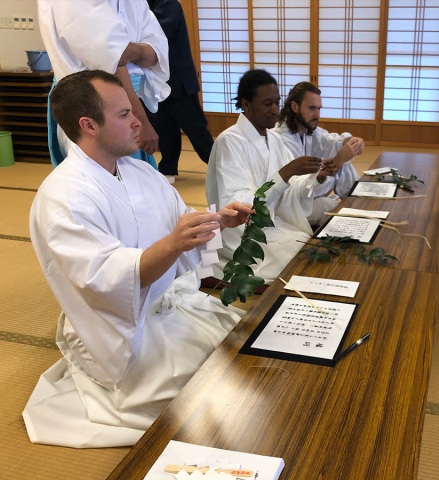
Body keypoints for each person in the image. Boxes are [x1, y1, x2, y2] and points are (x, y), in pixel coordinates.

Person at [22, 70, 253, 448]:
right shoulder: (63, 196)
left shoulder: (140, 171)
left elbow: (178, 224)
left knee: (238, 350)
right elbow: (106, 277)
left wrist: (218, 220)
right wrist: (174, 244)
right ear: (88, 125)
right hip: (120, 328)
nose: (138, 122)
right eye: (124, 114)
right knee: (204, 398)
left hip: (169, 307)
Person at [206, 69, 328, 283]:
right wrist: (286, 172)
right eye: (267, 104)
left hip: (273, 223)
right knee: (298, 261)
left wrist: (316, 177)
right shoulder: (229, 141)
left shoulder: (274, 139)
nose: (275, 110)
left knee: (309, 247)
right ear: (246, 104)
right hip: (242, 232)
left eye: (277, 102)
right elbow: (237, 205)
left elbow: (291, 190)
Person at [37, 0, 170, 168]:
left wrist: (133, 51)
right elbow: (111, 59)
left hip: (131, 96)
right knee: (103, 179)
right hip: (93, 100)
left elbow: (157, 50)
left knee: (137, 181)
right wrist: (139, 119)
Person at [147, 0, 214, 185]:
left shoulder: (169, 4)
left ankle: (221, 166)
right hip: (157, 82)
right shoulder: (143, 5)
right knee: (165, 129)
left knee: (196, 129)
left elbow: (157, 35)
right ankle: (168, 168)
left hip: (179, 81)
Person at [272, 81, 363, 204]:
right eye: (311, 108)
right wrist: (337, 161)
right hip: (293, 203)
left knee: (343, 158)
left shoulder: (307, 129)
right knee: (331, 205)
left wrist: (352, 142)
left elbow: (332, 141)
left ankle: (359, 200)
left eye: (319, 109)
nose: (317, 115)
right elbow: (298, 185)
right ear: (295, 107)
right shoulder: (280, 138)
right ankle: (356, 203)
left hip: (310, 196)